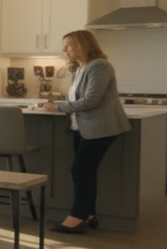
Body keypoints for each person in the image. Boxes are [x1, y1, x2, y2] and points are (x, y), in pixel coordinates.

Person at [40, 29, 130, 234]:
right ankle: (89, 214)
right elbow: (78, 99)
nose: (65, 49)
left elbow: (91, 100)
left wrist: (57, 107)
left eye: (69, 45)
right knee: (85, 172)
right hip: (83, 128)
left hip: (100, 128)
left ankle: (77, 216)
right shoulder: (81, 68)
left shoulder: (100, 66)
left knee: (80, 170)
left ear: (84, 45)